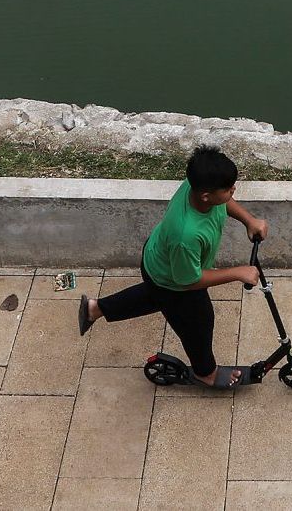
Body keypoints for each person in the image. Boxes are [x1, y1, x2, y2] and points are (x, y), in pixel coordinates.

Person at [78, 145, 268, 388]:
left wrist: (248, 220)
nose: (233, 190)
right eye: (228, 189)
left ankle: (94, 309)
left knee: (156, 296)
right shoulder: (185, 235)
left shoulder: (197, 187)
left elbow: (223, 202)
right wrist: (237, 273)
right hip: (173, 278)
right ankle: (205, 372)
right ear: (206, 195)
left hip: (159, 262)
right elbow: (188, 281)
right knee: (198, 322)